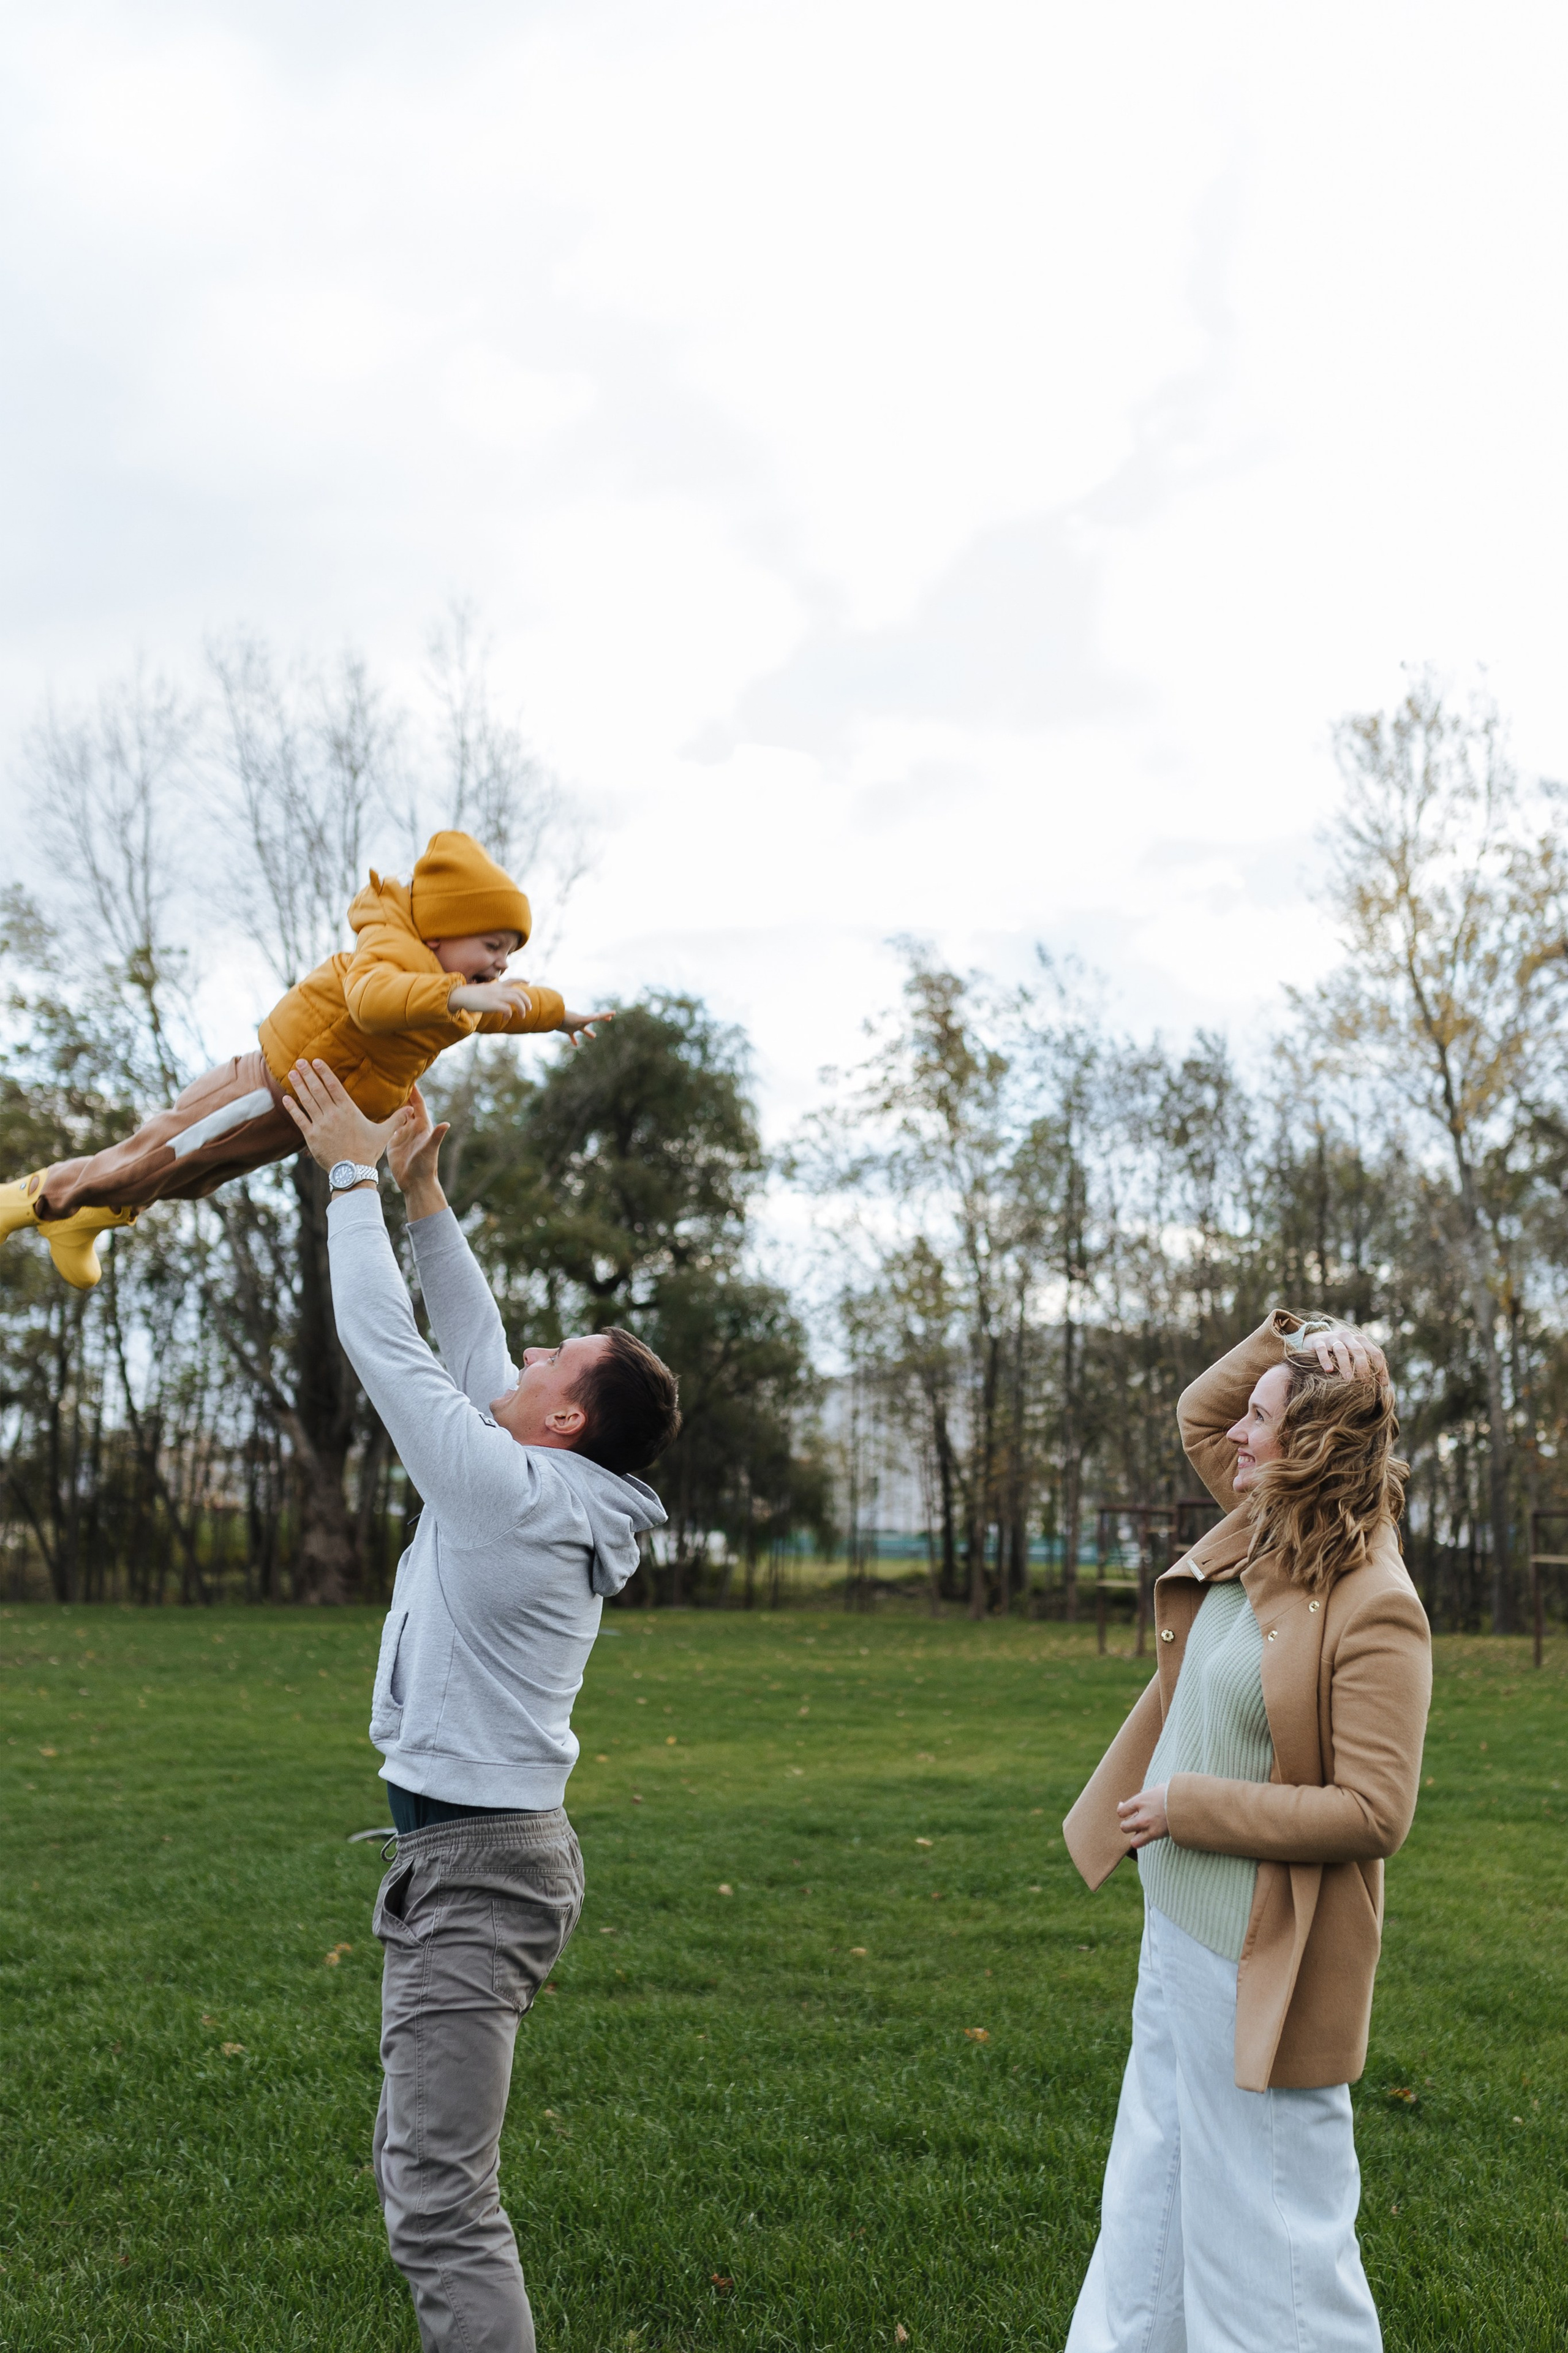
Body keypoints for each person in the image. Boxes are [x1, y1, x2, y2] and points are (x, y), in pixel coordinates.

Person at [282, 1055, 680, 2353]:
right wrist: (423, 1196)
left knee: (439, 2202)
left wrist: (348, 1179)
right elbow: (457, 1338)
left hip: (478, 1868)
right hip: (474, 1852)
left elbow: (390, 1352)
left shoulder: (509, 1493)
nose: (519, 1349)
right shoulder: (538, 1477)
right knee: (427, 2179)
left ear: (562, 1415)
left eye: (549, 1353)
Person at [1061, 1312, 1432, 2353]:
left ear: (1310, 1445)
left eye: (1265, 1419)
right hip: (1178, 1927)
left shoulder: (1373, 1602)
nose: (1237, 1437)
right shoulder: (1264, 1529)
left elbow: (1374, 1813)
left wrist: (1192, 1806)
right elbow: (1199, 1414)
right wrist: (1295, 1332)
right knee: (1154, 2191)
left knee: (1275, 2242)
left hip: (1262, 1956)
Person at [0, 829, 609, 1287]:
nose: (500, 965)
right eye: (492, 946)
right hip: (267, 1085)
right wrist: (459, 991)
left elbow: (515, 1005)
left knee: (194, 1177)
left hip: (307, 1114)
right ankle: (32, 1198)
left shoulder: (454, 994)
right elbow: (373, 1004)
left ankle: (85, 1218)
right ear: (439, 935)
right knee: (160, 1152)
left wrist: (558, 1015)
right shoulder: (389, 955)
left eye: (508, 954)